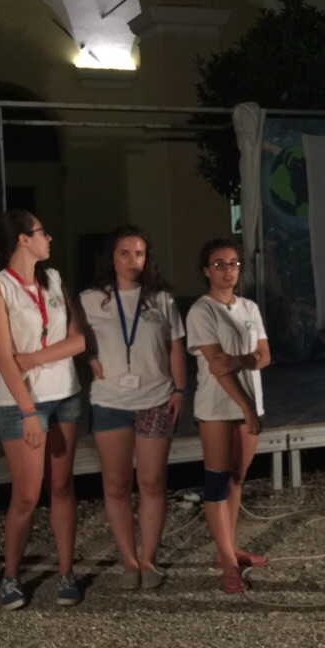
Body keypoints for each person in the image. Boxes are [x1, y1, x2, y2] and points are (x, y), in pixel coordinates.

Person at [0, 210, 85, 609]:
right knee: (26, 495)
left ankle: (66, 571)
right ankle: (11, 577)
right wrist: (27, 410)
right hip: (22, 403)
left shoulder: (53, 278)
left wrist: (36, 358)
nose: (49, 238)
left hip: (65, 394)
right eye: (42, 232)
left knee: (62, 486)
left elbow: (78, 340)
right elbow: (3, 357)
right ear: (23, 239)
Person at [79, 226, 186, 590]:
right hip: (109, 402)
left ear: (147, 258)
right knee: (116, 484)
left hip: (156, 399)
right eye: (124, 253)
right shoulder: (91, 300)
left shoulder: (162, 300)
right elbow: (77, 339)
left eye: (138, 254)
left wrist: (180, 389)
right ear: (111, 258)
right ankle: (128, 561)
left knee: (152, 481)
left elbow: (175, 345)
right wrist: (89, 356)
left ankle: (149, 559)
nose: (132, 261)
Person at [185, 238, 270, 594]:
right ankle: (227, 562)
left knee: (237, 477)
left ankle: (229, 549)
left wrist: (241, 361)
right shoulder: (201, 311)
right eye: (219, 264)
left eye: (233, 263)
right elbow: (218, 365)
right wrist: (246, 406)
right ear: (206, 270)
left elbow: (264, 355)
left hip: (250, 402)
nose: (227, 270)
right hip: (218, 407)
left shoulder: (249, 307)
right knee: (217, 480)